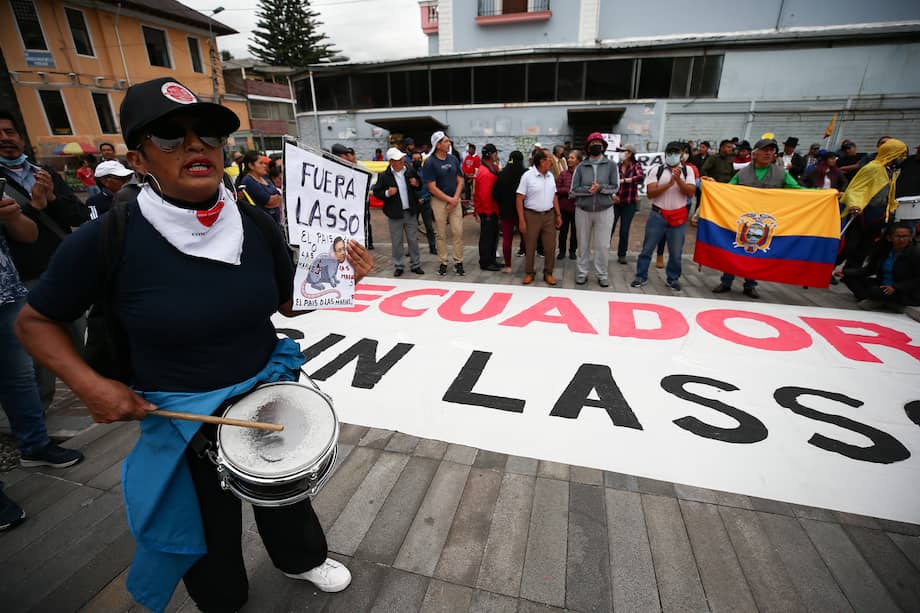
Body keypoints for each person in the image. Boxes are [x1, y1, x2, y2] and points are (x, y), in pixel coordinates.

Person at [14, 77, 373, 612]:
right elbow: (34, 322)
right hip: (182, 414)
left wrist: (338, 276)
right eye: (170, 137)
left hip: (264, 392)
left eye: (208, 134)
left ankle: (300, 559)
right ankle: (222, 598)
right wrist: (90, 386)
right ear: (138, 160)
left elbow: (286, 303)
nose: (195, 145)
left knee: (284, 492)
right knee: (205, 520)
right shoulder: (105, 238)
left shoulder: (254, 223)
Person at [0, 109, 89, 410]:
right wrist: (33, 208)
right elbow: (18, 234)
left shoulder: (44, 172)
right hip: (23, 278)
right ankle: (39, 408)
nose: (5, 139)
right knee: (38, 346)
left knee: (81, 334)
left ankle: (100, 388)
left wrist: (51, 198)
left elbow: (77, 215)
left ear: (21, 137)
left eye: (10, 132)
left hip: (61, 268)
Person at [1, 173, 84, 473]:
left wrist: (19, 214)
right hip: (23, 283)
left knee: (21, 374)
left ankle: (34, 444)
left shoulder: (39, 175)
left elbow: (30, 234)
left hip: (6, 290)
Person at [711, 137, 806, 298]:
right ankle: (726, 282)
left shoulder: (781, 173)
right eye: (765, 150)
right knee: (735, 249)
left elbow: (798, 191)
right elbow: (727, 191)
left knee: (757, 251)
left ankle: (750, 285)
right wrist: (712, 185)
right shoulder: (743, 173)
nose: (769, 153)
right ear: (755, 154)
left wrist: (822, 194)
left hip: (765, 221)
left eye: (771, 150)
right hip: (743, 219)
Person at [631, 141, 695, 291]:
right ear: (665, 154)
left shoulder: (688, 171)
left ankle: (673, 279)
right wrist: (669, 183)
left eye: (676, 152)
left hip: (678, 217)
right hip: (658, 215)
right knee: (647, 248)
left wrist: (678, 180)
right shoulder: (657, 170)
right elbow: (650, 193)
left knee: (676, 252)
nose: (673, 155)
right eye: (670, 152)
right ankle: (641, 276)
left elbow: (690, 192)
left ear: (681, 154)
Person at [839, 138, 909, 267]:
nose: (903, 158)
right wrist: (855, 204)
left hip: (879, 214)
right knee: (850, 246)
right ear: (892, 153)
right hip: (862, 213)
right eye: (901, 154)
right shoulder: (873, 168)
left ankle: (850, 272)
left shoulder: (891, 171)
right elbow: (855, 189)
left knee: (865, 247)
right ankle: (829, 268)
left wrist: (892, 207)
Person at [570, 133, 618, 287]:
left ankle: (602, 274)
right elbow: (573, 189)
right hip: (583, 210)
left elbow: (615, 187)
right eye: (592, 144)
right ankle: (582, 273)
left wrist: (601, 188)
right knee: (582, 244)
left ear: (603, 147)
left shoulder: (611, 165)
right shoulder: (581, 166)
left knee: (603, 245)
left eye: (598, 143)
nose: (596, 146)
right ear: (588, 147)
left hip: (605, 210)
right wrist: (589, 190)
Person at [842, 222, 919, 312]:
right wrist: (845, 272)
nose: (901, 239)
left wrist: (895, 287)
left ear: (910, 238)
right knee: (848, 277)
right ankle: (881, 301)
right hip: (882, 285)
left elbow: (917, 280)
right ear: (889, 238)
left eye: (905, 236)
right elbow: (869, 270)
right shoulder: (883, 251)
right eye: (898, 236)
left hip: (903, 290)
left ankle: (881, 301)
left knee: (875, 292)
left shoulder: (915, 254)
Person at [372, 147, 423, 276]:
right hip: (394, 213)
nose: (401, 161)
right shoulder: (384, 176)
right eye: (398, 159)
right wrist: (387, 193)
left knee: (413, 239)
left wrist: (416, 183)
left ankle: (415, 264)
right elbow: (377, 191)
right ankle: (399, 265)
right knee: (396, 241)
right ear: (391, 162)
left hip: (410, 211)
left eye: (402, 158)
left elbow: (420, 185)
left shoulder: (410, 170)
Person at [516, 148, 562, 285]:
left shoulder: (550, 176)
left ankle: (548, 273)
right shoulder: (527, 176)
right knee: (530, 246)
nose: (551, 161)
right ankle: (529, 272)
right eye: (549, 159)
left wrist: (558, 215)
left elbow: (554, 196)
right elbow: (519, 198)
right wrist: (521, 220)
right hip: (532, 215)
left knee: (550, 246)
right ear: (542, 162)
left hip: (549, 215)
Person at [423, 131, 465, 276]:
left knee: (458, 232)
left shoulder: (453, 159)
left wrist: (455, 198)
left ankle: (458, 261)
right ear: (438, 144)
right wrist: (449, 200)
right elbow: (432, 187)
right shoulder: (430, 162)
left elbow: (460, 180)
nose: (449, 143)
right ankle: (443, 262)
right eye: (446, 141)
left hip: (455, 199)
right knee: (441, 234)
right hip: (439, 202)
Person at [331, 143, 373, 249]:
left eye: (348, 154)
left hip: (358, 203)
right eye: (345, 155)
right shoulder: (332, 168)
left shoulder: (355, 167)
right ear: (339, 156)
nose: (348, 157)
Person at [494, 150, 526, 274]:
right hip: (522, 212)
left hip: (506, 211)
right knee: (526, 238)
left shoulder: (502, 174)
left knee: (507, 239)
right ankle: (528, 264)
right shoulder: (525, 174)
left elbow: (495, 194)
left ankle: (508, 266)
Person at [613, 144, 644, 265]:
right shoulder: (616, 166)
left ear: (630, 153)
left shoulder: (636, 166)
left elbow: (640, 178)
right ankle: (603, 251)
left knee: (624, 230)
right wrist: (612, 195)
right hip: (615, 202)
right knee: (609, 228)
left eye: (623, 151)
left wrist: (625, 180)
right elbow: (610, 181)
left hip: (629, 203)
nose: (621, 153)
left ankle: (622, 254)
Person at [474, 143, 502, 271]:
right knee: (487, 237)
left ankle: (492, 259)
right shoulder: (485, 172)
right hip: (488, 211)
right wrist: (488, 213)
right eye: (495, 153)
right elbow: (484, 195)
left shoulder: (491, 167)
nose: (497, 156)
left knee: (493, 236)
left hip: (493, 209)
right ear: (490, 155)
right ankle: (485, 262)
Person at [239, 152, 282, 225]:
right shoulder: (248, 181)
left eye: (264, 163)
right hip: (262, 224)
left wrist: (276, 199)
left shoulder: (265, 178)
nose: (264, 166)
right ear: (251, 165)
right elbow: (269, 201)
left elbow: (279, 197)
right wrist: (273, 200)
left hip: (275, 221)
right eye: (261, 163)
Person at [554, 148, 580, 262]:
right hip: (564, 208)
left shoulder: (581, 175)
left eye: (572, 158)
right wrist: (567, 190)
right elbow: (556, 190)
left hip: (578, 208)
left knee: (575, 232)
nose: (569, 160)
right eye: (568, 158)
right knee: (563, 231)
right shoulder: (563, 174)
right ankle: (562, 251)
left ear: (578, 160)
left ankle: (573, 251)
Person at [410, 151, 437, 254]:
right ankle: (412, 248)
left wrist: (424, 198)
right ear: (411, 160)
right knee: (412, 228)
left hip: (425, 203)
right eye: (414, 159)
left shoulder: (426, 172)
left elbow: (430, 187)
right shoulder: (408, 172)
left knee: (429, 226)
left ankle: (432, 247)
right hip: (413, 203)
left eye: (418, 159)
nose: (417, 161)